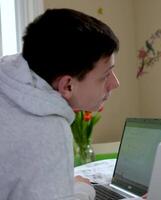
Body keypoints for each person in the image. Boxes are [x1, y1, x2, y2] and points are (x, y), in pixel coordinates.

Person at [0, 8, 120, 200]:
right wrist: (82, 190)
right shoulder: (48, 128)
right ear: (67, 85)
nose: (115, 83)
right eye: (105, 75)